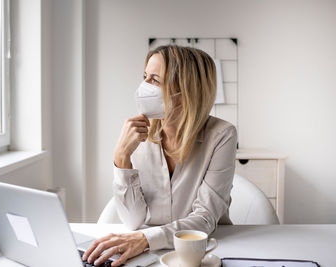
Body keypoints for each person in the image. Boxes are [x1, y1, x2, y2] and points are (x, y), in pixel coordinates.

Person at [82, 45, 237, 266]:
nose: (143, 87)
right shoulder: (139, 135)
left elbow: (204, 219)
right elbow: (133, 220)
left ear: (185, 92)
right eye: (144, 77)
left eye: (154, 80)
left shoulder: (221, 135)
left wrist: (145, 239)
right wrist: (122, 156)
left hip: (206, 252)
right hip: (149, 253)